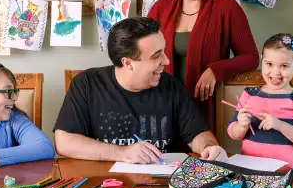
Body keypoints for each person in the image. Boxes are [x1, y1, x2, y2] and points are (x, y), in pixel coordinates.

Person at [53, 17, 228, 163]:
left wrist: (210, 148)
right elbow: (64, 142)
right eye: (156, 55)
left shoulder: (171, 86)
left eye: (164, 52)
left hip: (162, 186)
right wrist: (122, 153)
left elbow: (197, 133)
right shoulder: (87, 84)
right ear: (128, 63)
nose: (167, 61)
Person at [148, 0, 259, 132]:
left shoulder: (227, 7)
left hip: (206, 106)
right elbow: (142, 53)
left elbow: (251, 57)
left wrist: (215, 70)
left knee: (205, 156)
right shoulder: (160, 8)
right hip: (162, 104)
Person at [227, 34, 293, 173]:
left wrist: (280, 125)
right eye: (269, 64)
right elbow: (234, 133)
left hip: (289, 173)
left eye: (284, 66)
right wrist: (241, 125)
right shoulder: (250, 94)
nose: (276, 72)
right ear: (262, 61)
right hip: (251, 171)